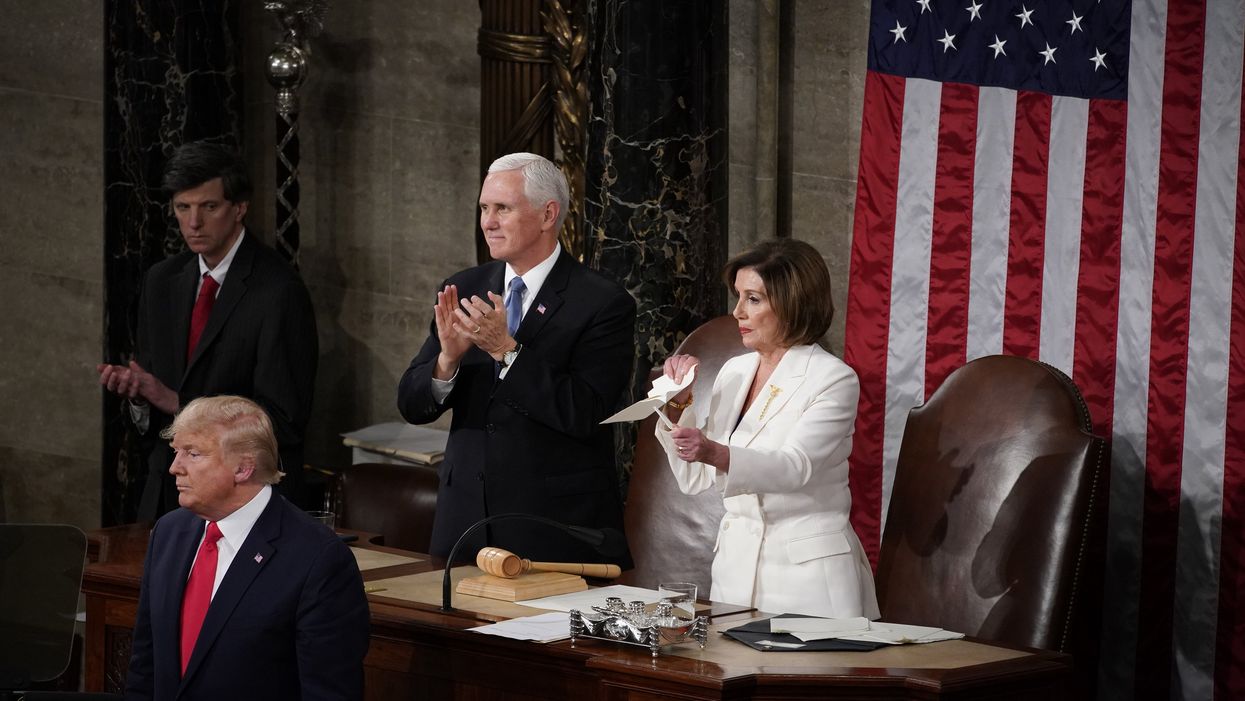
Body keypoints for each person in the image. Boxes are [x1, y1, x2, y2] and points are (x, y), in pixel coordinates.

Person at [398, 152, 635, 566]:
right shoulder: (464, 287)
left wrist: (506, 350)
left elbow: (585, 412)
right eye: (484, 208)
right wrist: (446, 363)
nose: (488, 221)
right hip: (464, 525)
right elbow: (412, 404)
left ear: (548, 215)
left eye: (502, 208)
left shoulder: (602, 302)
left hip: (549, 530)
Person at [656, 238, 880, 619]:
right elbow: (695, 478)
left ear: (792, 304)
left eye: (753, 299)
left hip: (808, 583)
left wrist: (715, 451)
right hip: (734, 575)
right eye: (738, 296)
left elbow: (795, 467)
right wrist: (679, 403)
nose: (737, 312)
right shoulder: (735, 371)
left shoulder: (833, 378)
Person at [98, 141, 318, 519]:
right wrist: (139, 396)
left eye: (208, 207)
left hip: (241, 504)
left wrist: (177, 402)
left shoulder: (279, 292)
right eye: (183, 208)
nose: (194, 223)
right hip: (168, 498)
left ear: (239, 209)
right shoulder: (161, 281)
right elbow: (154, 404)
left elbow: (283, 423)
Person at [124, 395, 368, 701]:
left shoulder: (318, 559)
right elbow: (145, 666)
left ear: (243, 468)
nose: (175, 467)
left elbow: (329, 693)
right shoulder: (169, 532)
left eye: (193, 453)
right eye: (176, 452)